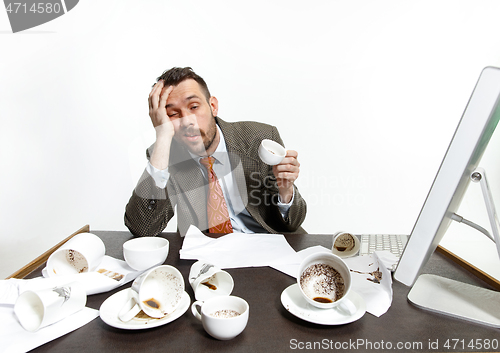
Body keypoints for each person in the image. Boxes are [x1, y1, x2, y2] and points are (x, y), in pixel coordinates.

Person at [125, 67, 306, 236]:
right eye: (173, 114)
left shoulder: (261, 139)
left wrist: (285, 190)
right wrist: (163, 139)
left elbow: (293, 223)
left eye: (194, 107)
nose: (187, 121)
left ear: (213, 106)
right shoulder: (165, 157)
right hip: (211, 258)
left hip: (268, 247)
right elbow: (142, 229)